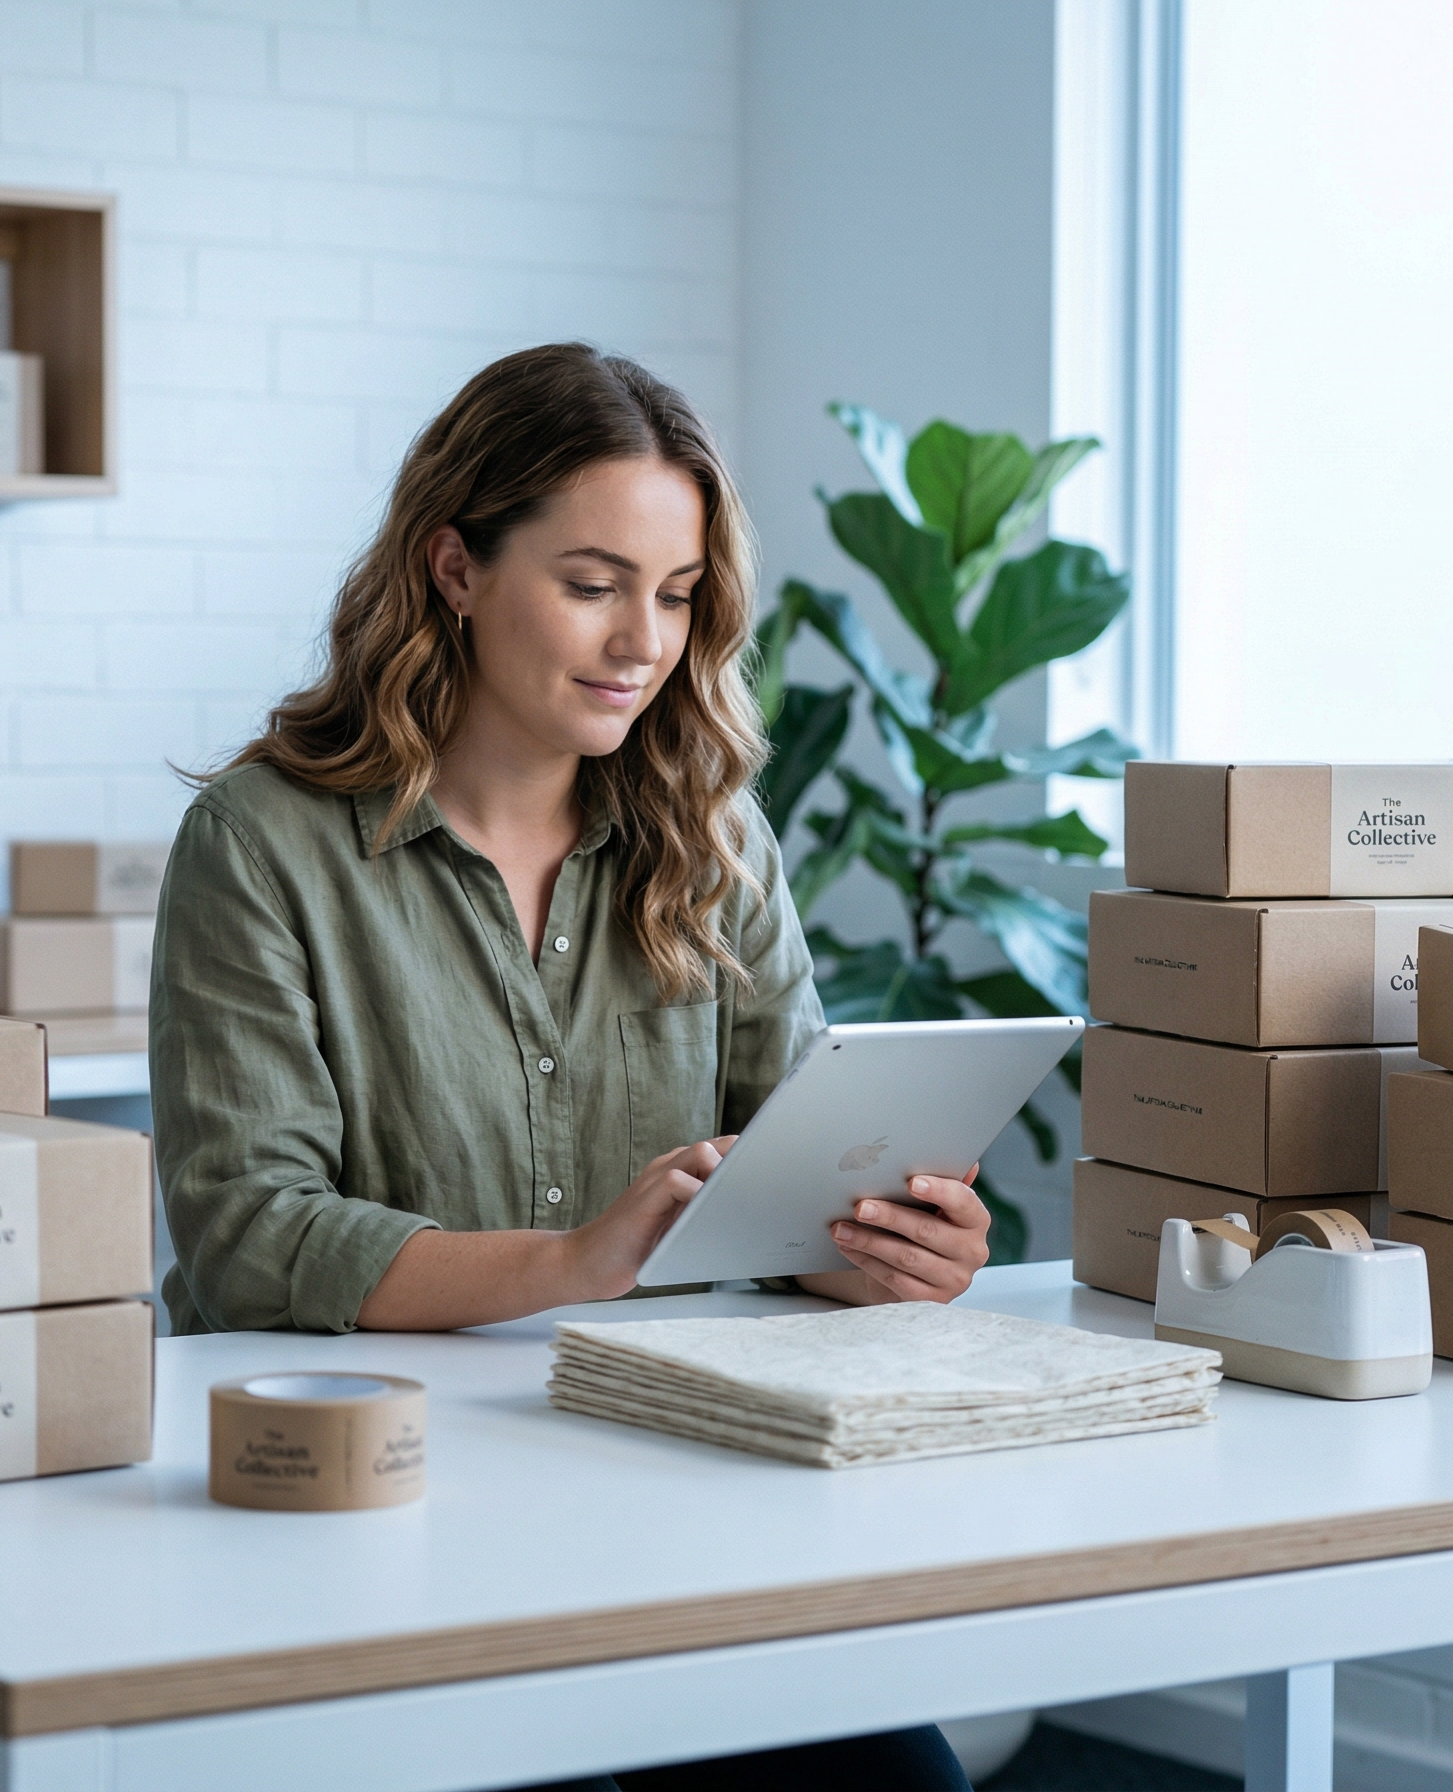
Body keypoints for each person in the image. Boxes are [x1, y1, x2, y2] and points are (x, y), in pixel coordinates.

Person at [149, 343, 986, 1792]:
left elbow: (787, 1169)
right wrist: (575, 1260)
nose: (641, 642)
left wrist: (881, 1245)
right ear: (456, 568)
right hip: (369, 1503)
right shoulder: (263, 842)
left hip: (665, 1479)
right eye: (593, 584)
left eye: (675, 597)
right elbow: (247, 1239)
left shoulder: (716, 843)